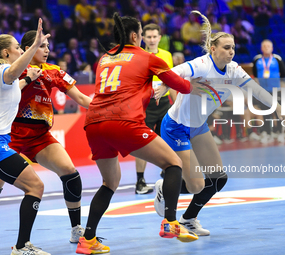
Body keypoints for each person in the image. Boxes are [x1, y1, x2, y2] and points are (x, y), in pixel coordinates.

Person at [153, 11, 285, 236]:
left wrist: (278, 108)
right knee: (196, 186)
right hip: (176, 126)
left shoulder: (234, 70)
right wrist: (164, 84)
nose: (231, 51)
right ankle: (165, 187)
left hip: (198, 126)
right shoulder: (201, 64)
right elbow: (176, 71)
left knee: (218, 178)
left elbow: (256, 90)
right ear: (213, 49)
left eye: (233, 47)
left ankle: (189, 218)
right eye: (226, 47)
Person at [76, 13, 207, 254]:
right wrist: (196, 80)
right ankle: (170, 222)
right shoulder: (147, 57)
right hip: (123, 121)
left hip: (93, 123)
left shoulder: (104, 59)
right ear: (136, 36)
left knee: (109, 182)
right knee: (173, 163)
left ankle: (88, 239)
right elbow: (182, 86)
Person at [9, 29, 93, 244]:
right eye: (41, 46)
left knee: (70, 172)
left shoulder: (53, 71)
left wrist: (110, 107)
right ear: (28, 49)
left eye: (47, 46)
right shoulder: (15, 69)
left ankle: (76, 229)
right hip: (11, 136)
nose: (47, 50)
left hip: (39, 137)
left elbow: (82, 98)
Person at [0, 18, 51, 255]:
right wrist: (34, 46)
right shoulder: (4, 71)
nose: (21, 51)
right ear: (5, 53)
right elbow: (11, 73)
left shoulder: (8, 80)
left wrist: (28, 78)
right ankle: (21, 247)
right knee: (35, 186)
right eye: (18, 48)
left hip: (3, 141)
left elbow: (13, 87)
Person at [134, 23, 176, 194]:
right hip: (146, 105)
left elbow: (171, 80)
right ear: (143, 38)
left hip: (164, 103)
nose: (151, 40)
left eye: (154, 36)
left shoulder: (167, 55)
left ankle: (167, 171)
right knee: (141, 143)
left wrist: (177, 104)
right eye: (148, 37)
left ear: (160, 38)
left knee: (168, 138)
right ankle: (140, 182)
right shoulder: (138, 55)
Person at [252, 39, 285, 143]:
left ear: (272, 48)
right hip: (263, 91)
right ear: (261, 48)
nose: (267, 48)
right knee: (266, 113)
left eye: (268, 46)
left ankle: (280, 133)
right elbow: (254, 73)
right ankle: (268, 133)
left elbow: (284, 73)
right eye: (264, 46)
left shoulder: (277, 59)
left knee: (278, 112)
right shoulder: (257, 59)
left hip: (276, 90)